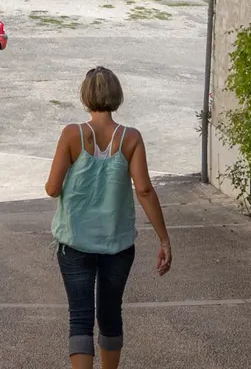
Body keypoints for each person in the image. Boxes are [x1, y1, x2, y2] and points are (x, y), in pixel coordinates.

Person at [45, 66, 172, 368]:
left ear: (86, 97)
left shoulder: (72, 135)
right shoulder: (131, 139)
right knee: (111, 312)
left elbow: (52, 188)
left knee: (80, 317)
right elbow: (144, 190)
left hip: (75, 243)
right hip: (118, 244)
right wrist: (164, 239)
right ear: (117, 95)